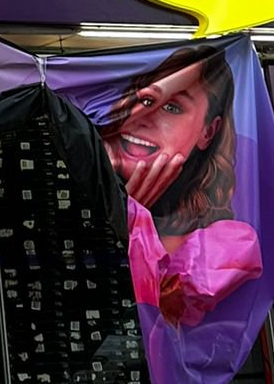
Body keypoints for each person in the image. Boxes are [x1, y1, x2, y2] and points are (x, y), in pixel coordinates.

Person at [99, 46, 261, 328]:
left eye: (172, 107)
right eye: (142, 99)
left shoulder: (225, 246)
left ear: (208, 132)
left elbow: (155, 319)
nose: (142, 117)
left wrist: (133, 218)